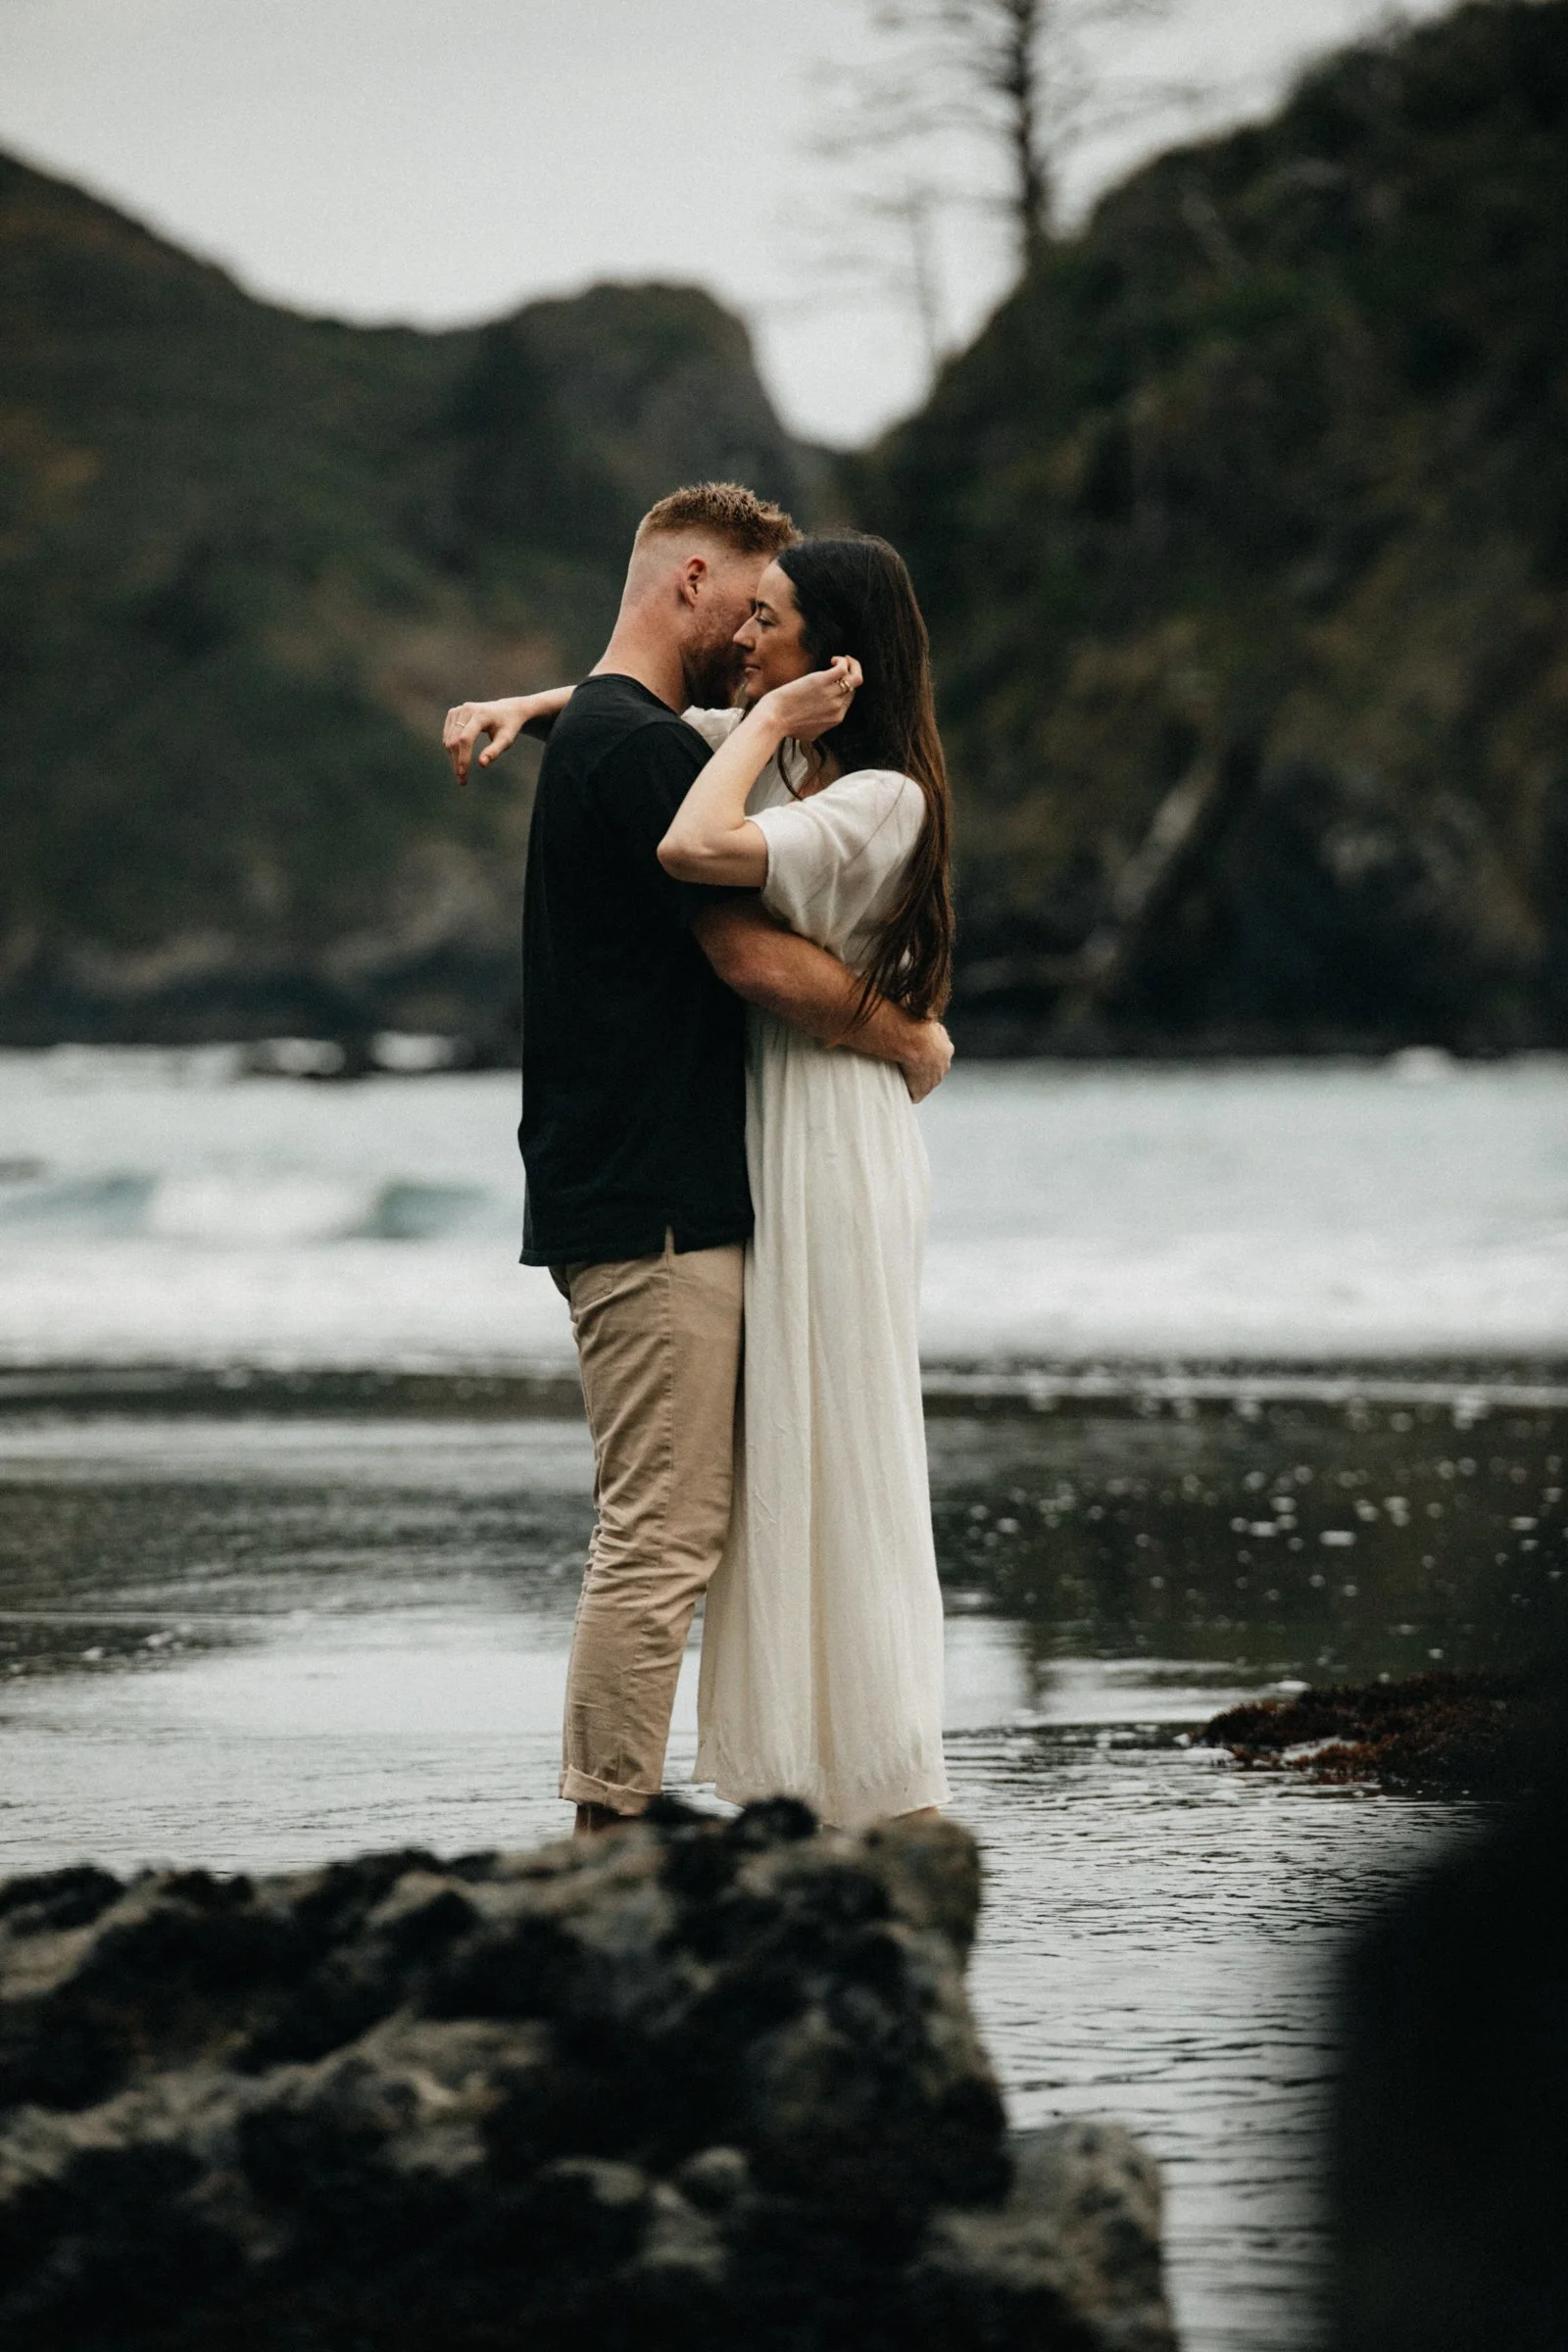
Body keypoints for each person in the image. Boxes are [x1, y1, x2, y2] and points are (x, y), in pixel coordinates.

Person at [444, 484, 952, 1836]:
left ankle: (659, 1813)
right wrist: (906, 1033)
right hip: (653, 1200)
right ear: (690, 584)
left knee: (675, 1525)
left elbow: (638, 730)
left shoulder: (624, 735)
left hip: (641, 1185)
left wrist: (520, 704)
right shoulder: (652, 755)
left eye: (775, 624)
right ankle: (607, 1835)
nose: (748, 643)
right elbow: (740, 949)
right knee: (662, 1537)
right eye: (747, 605)